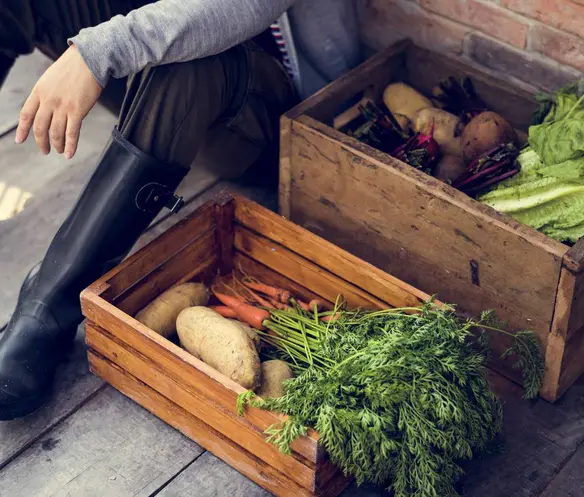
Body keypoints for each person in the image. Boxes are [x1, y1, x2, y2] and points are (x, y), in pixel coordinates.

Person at [0, 0, 360, 421]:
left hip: (271, 109)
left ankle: (48, 308)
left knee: (188, 55)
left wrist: (91, 53)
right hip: (174, 70)